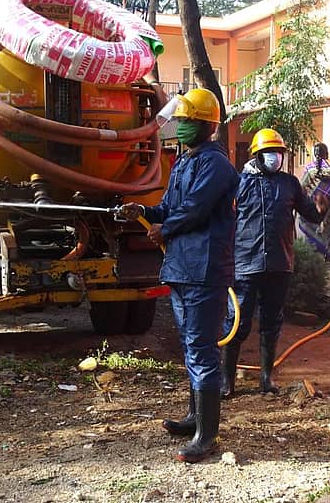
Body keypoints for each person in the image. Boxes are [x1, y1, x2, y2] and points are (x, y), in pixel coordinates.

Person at [119, 88, 238, 463]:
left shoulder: (216, 165)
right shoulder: (188, 161)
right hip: (183, 270)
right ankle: (193, 419)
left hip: (204, 270)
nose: (180, 126)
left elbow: (194, 210)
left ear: (205, 124)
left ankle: (207, 436)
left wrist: (164, 229)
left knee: (202, 350)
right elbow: (171, 206)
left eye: (186, 121)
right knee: (190, 347)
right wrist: (143, 210)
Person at [221, 129, 328, 399]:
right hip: (247, 264)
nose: (275, 158)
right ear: (257, 156)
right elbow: (224, 220)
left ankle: (266, 378)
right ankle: (226, 381)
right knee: (238, 323)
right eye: (270, 153)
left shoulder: (290, 184)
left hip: (280, 264)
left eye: (278, 153)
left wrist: (321, 207)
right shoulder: (239, 183)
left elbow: (311, 216)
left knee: (272, 322)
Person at [299, 142, 330, 263]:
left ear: (314, 154)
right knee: (329, 228)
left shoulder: (309, 168)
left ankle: (311, 257)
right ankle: (327, 257)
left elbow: (303, 187)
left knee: (311, 229)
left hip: (312, 205)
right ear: (327, 153)